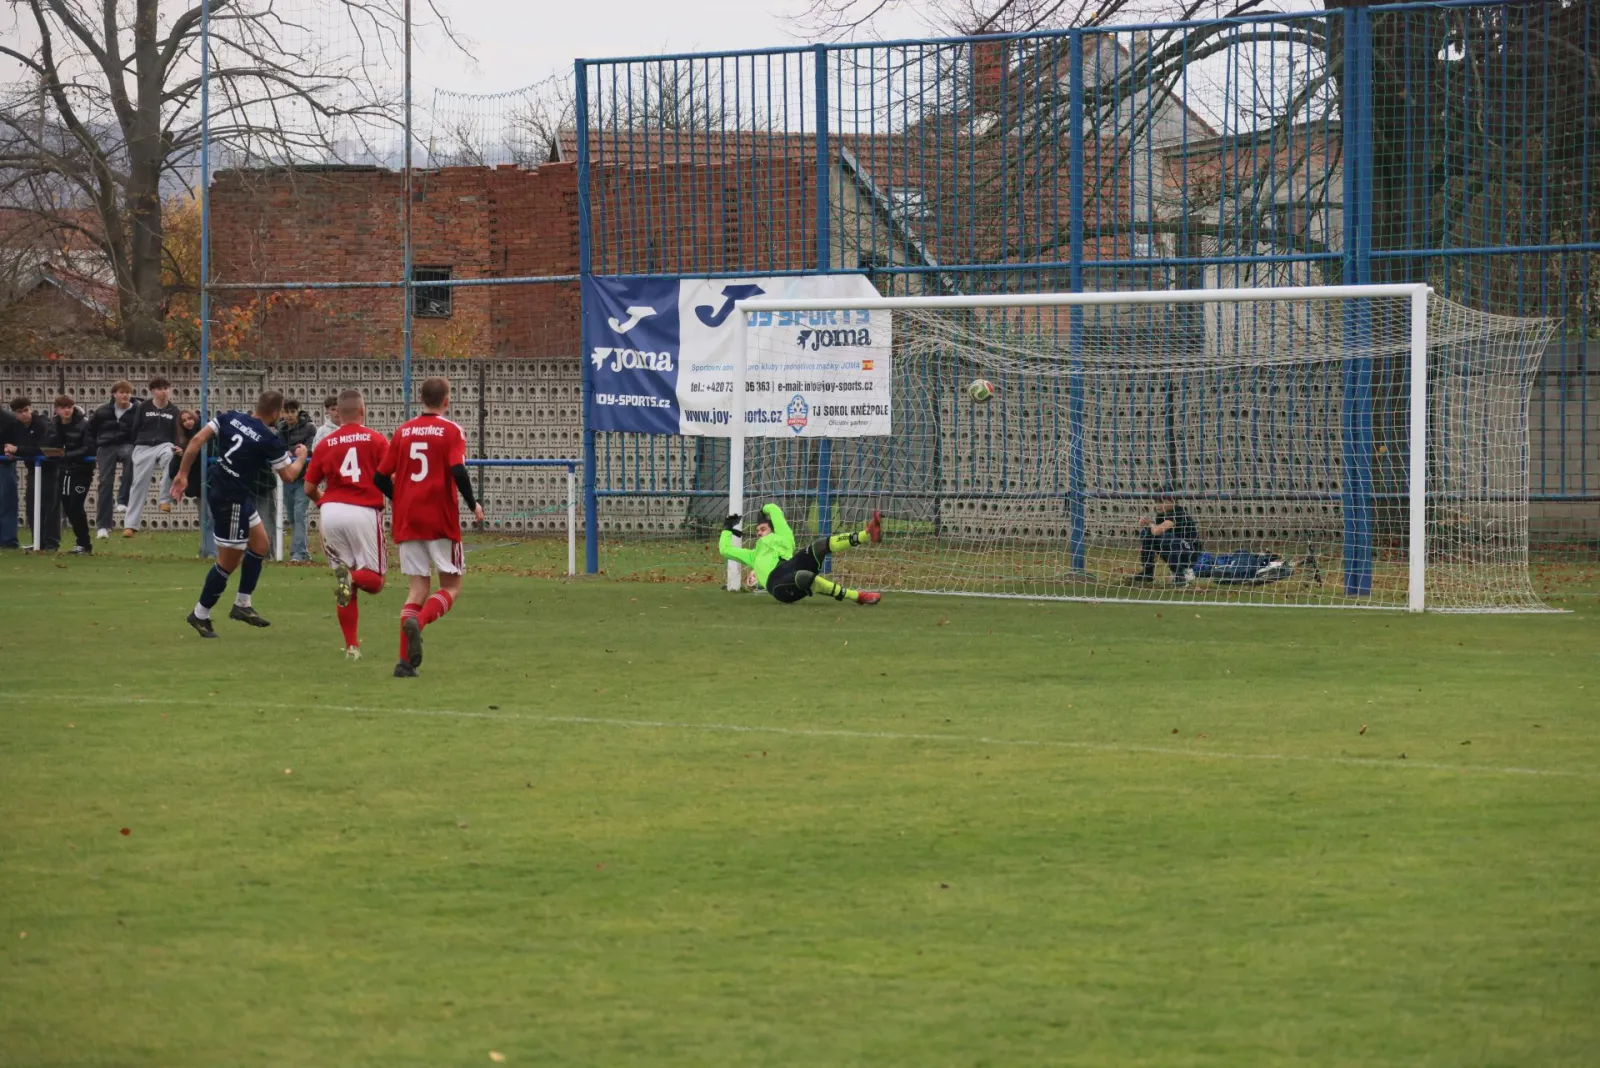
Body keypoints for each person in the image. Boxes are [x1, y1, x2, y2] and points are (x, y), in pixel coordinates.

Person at [170, 390, 309, 638]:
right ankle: (200, 614)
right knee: (228, 562)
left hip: (227, 488)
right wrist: (301, 457)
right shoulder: (268, 438)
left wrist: (182, 473)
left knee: (260, 545)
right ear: (275, 413)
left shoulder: (230, 417)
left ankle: (242, 604)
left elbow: (196, 440)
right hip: (231, 499)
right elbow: (289, 476)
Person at [378, 376, 484, 678]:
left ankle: (404, 664)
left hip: (408, 518)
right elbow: (458, 469)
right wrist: (473, 504)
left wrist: (400, 499)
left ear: (420, 399)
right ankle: (420, 622)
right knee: (451, 586)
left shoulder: (403, 431)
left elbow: (379, 477)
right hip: (439, 518)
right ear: (446, 401)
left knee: (417, 589)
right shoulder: (451, 430)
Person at [303, 389, 392, 661]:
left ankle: (352, 647)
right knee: (375, 581)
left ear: (338, 413)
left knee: (346, 585)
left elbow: (308, 488)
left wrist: (324, 503)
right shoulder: (376, 440)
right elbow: (391, 477)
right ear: (363, 411)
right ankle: (351, 577)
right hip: (363, 511)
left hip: (331, 513)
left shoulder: (325, 444)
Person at [719, 503, 883, 605]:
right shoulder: (753, 555)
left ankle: (866, 534)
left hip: (791, 566)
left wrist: (762, 510)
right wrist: (727, 529)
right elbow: (725, 550)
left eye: (763, 529)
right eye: (757, 531)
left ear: (773, 530)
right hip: (776, 584)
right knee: (803, 576)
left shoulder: (784, 537)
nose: (759, 533)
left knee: (820, 545)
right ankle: (857, 596)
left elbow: (774, 509)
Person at [122, 376, 187, 537]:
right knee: (138, 484)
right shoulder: (143, 407)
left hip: (164, 444)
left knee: (170, 457)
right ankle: (130, 526)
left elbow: (177, 433)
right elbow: (135, 427)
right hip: (143, 446)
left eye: (166, 388)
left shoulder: (174, 410)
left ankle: (165, 500)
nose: (164, 391)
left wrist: (178, 446)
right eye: (159, 389)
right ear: (152, 391)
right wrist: (136, 443)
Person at [7, 397, 61, 551]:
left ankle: (51, 543)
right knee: (32, 505)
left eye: (26, 410)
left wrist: (18, 450)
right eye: (20, 412)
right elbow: (14, 445)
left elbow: (44, 448)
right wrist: (10, 451)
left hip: (50, 470)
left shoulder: (42, 424)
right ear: (15, 413)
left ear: (30, 408)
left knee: (50, 507)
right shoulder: (16, 427)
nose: (24, 414)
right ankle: (38, 541)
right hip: (33, 470)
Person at [87, 380, 138, 538]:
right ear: (114, 394)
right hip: (106, 445)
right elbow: (90, 430)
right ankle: (103, 525)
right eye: (121, 392)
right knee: (105, 483)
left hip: (126, 444)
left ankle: (123, 500)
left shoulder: (137, 410)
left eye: (127, 392)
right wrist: (95, 447)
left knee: (131, 457)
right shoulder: (103, 411)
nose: (125, 395)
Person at [51, 395, 95, 555]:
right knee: (68, 507)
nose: (67, 410)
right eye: (63, 407)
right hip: (64, 470)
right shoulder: (53, 424)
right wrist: (57, 454)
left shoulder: (84, 424)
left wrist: (65, 455)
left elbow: (88, 448)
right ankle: (81, 543)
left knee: (76, 506)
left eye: (69, 407)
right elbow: (48, 445)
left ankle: (85, 544)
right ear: (57, 409)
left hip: (81, 470)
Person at [276, 399, 318, 561]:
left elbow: (310, 449)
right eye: (286, 412)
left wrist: (292, 452)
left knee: (300, 513)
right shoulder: (280, 429)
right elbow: (277, 448)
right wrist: (287, 452)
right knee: (292, 516)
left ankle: (298, 553)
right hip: (287, 477)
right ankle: (302, 551)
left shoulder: (309, 427)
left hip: (304, 477)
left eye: (293, 412)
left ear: (298, 411)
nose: (290, 415)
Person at [1133, 492, 1202, 587]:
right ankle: (1147, 573)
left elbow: (1157, 531)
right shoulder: (1161, 515)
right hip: (1177, 549)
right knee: (1146, 533)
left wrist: (1150, 523)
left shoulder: (1178, 512)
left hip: (1189, 552)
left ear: (1172, 501)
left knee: (1165, 537)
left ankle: (1180, 574)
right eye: (1156, 502)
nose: (1158, 505)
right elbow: (1153, 533)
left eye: (1161, 502)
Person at [0, 401, 21, 549]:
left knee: (7, 503)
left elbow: (17, 442)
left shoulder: (9, 419)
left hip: (4, 466)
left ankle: (8, 540)